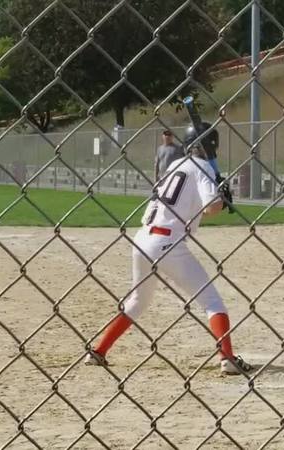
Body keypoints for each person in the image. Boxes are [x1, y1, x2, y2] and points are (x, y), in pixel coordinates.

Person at [84, 125, 252, 376]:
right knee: (212, 302)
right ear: (212, 146)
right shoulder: (204, 167)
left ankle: (99, 351)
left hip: (143, 239)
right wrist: (221, 196)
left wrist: (219, 194)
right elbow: (211, 208)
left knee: (137, 301)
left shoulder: (175, 164)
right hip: (169, 244)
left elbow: (194, 206)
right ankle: (227, 358)